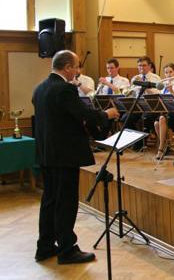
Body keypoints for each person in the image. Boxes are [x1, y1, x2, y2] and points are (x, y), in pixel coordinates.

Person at [32, 50, 120, 264]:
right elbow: (84, 114)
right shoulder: (64, 89)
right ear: (67, 67)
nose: (78, 71)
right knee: (66, 202)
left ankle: (44, 247)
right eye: (77, 66)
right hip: (64, 154)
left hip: (46, 153)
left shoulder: (40, 88)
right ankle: (67, 250)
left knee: (50, 200)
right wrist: (106, 115)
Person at [123, 56, 162, 150]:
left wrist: (145, 85)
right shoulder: (135, 78)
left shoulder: (155, 78)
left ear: (149, 66)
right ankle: (138, 140)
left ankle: (141, 142)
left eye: (144, 65)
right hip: (138, 105)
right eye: (139, 66)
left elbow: (158, 94)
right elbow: (130, 94)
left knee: (146, 118)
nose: (141, 68)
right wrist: (128, 92)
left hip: (151, 106)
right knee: (125, 118)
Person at [153, 63, 174, 160]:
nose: (168, 74)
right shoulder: (163, 84)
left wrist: (172, 92)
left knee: (162, 118)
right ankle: (166, 144)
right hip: (166, 111)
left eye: (170, 72)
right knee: (156, 124)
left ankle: (161, 148)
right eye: (166, 72)